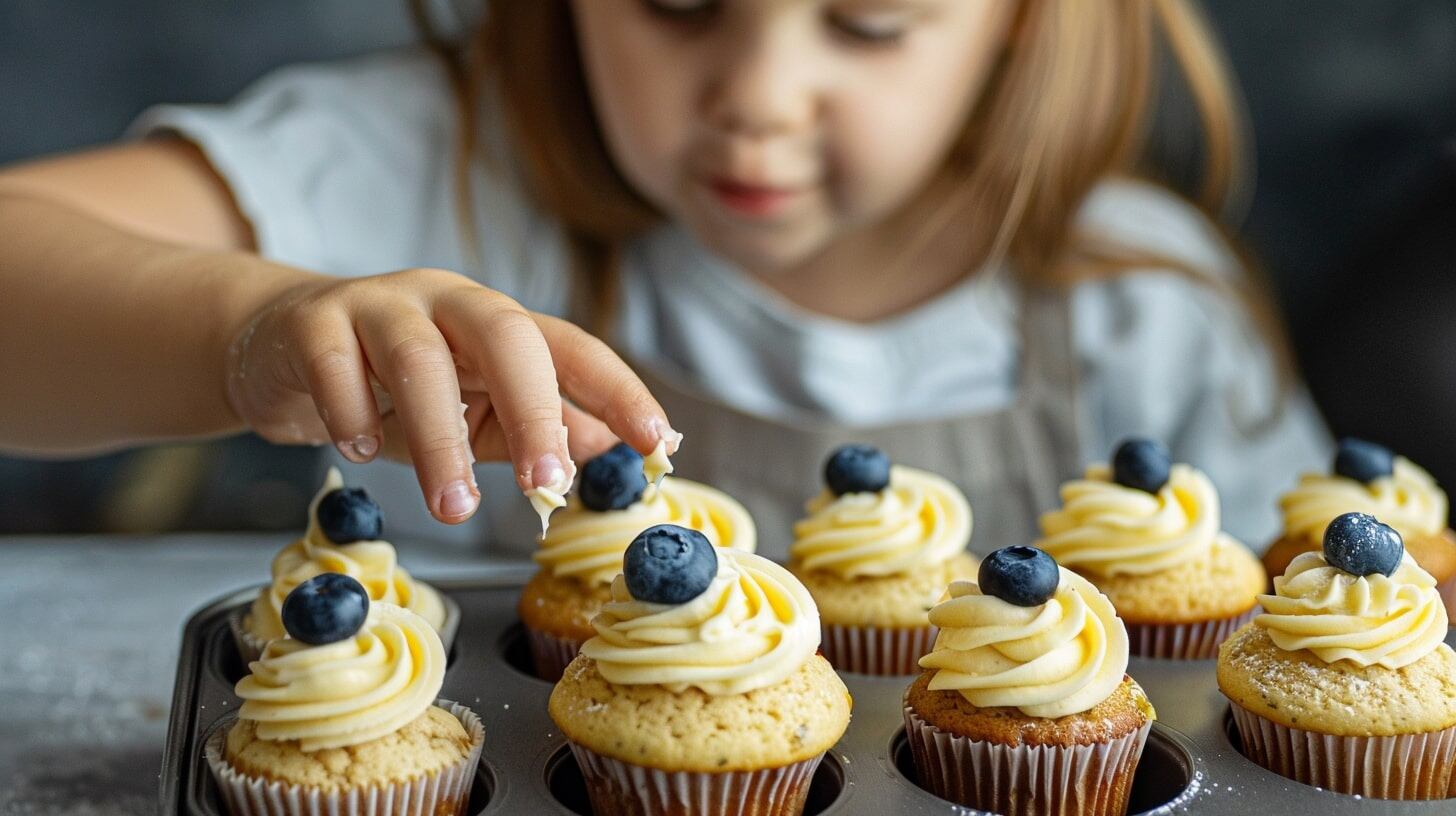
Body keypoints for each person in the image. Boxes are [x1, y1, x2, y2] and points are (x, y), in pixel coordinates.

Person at [0, 0, 1327, 557]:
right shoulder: (446, 165)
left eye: (867, 21)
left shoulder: (1149, 307)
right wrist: (247, 332)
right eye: (676, 0)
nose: (756, 101)